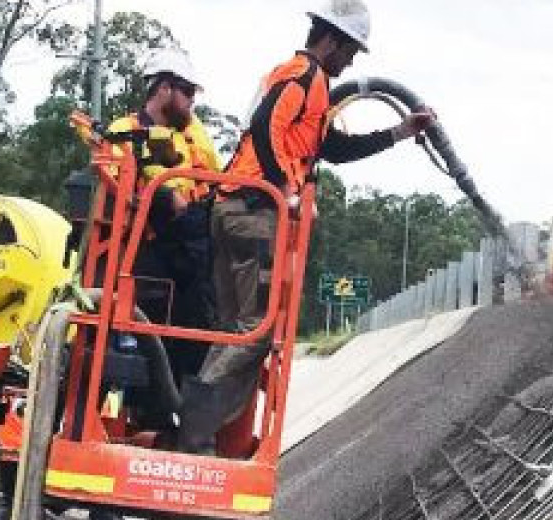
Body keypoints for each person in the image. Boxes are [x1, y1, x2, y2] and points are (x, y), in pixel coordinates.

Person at [175, 0, 436, 454]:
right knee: (258, 329)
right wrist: (283, 190)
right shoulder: (304, 76)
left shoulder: (311, 86)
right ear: (330, 39)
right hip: (254, 212)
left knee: (239, 326)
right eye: (350, 49)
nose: (351, 60)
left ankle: (197, 429)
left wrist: (400, 132)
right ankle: (194, 432)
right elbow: (264, 127)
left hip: (238, 208)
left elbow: (331, 149)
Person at [105, 48, 220, 428]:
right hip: (146, 246)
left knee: (201, 329)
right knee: (143, 333)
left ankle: (190, 425)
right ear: (165, 88)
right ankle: (146, 416)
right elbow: (113, 183)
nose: (192, 101)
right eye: (187, 92)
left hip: (192, 250)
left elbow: (215, 181)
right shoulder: (124, 133)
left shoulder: (193, 134)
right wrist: (159, 194)